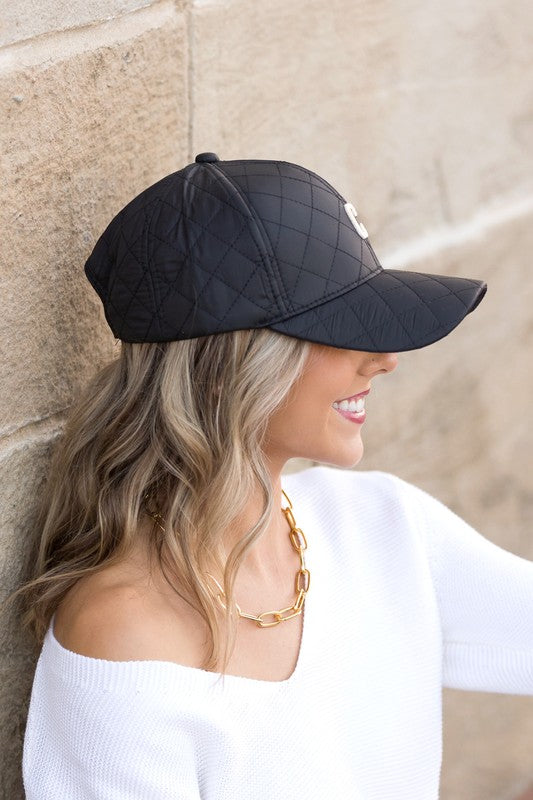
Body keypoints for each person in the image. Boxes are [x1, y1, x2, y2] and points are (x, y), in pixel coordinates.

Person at [17, 153, 533, 800]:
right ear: (227, 364)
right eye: (340, 328)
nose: (382, 360)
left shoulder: (379, 526)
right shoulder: (125, 635)